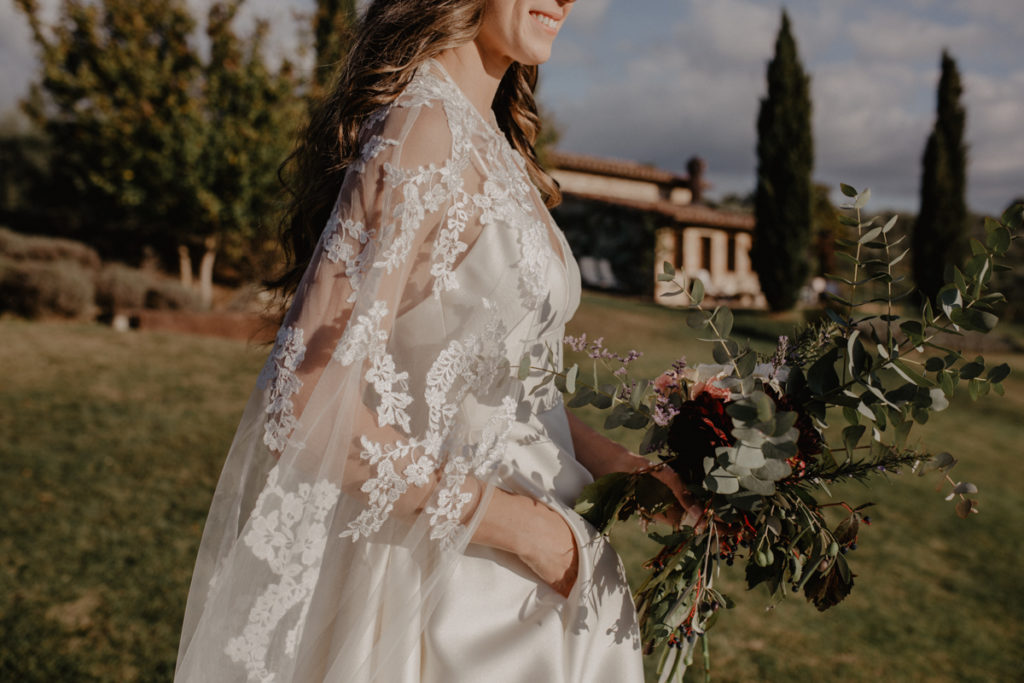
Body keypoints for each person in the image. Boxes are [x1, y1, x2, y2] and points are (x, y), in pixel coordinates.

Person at [175, 1, 700, 680]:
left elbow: (502, 385)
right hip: (451, 593)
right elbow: (300, 399)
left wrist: (621, 467)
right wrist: (523, 530)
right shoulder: (420, 129)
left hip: (537, 575)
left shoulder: (499, 143)